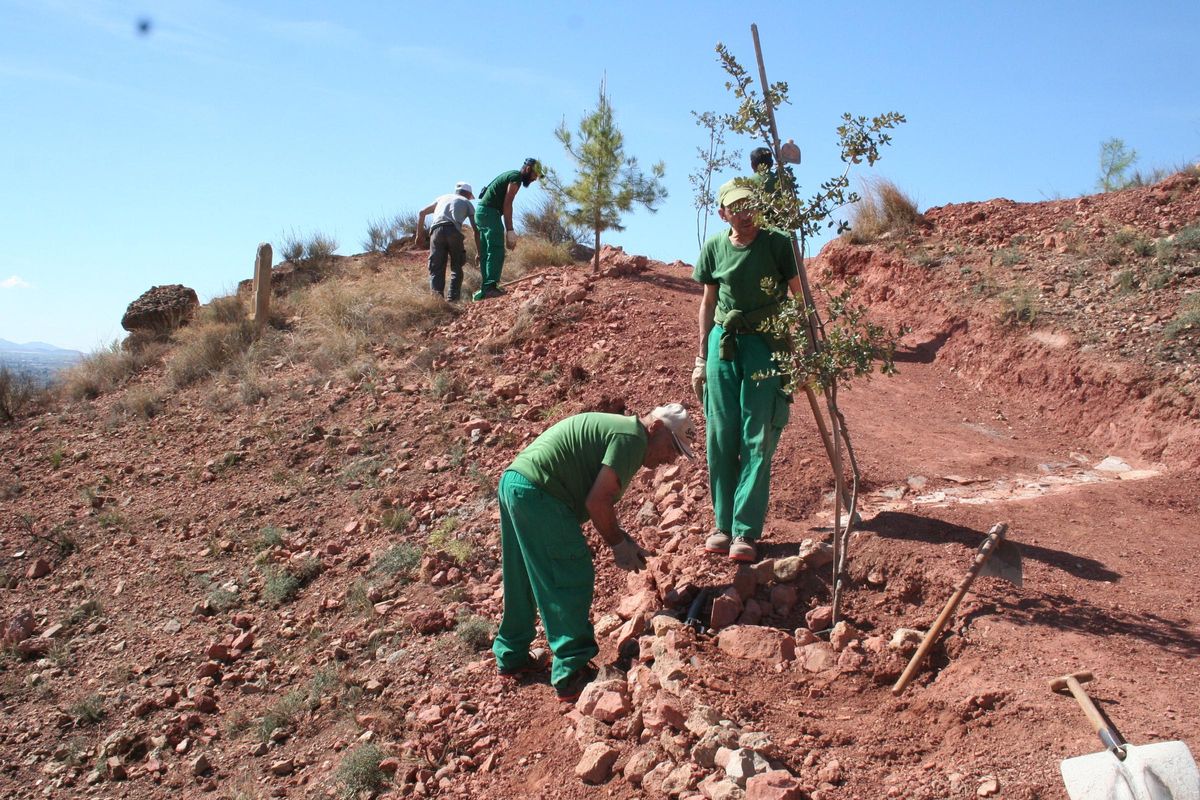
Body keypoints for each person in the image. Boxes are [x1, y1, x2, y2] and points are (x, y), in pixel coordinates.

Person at [492, 404, 695, 701]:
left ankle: (512, 655)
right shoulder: (632, 439)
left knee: (522, 573)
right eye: (673, 447)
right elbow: (598, 502)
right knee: (570, 574)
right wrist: (618, 544)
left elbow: (598, 499)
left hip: (517, 482)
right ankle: (571, 672)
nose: (671, 457)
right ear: (657, 428)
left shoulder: (623, 431)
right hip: (541, 492)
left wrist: (621, 538)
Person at [691, 179, 801, 563]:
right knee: (720, 435)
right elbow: (707, 302)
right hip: (725, 345)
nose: (745, 213)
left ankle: (745, 531)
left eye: (751, 205)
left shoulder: (777, 243)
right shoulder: (714, 247)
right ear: (723, 212)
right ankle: (722, 525)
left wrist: (801, 352)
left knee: (758, 436)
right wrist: (702, 358)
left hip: (765, 346)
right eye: (736, 207)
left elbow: (800, 295)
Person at [472, 158, 543, 301]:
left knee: (487, 251)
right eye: (535, 175)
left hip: (482, 212)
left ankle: (487, 287)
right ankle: (491, 287)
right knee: (496, 248)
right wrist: (510, 230)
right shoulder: (515, 177)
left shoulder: (511, 174)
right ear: (528, 169)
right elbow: (508, 203)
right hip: (490, 212)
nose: (535, 179)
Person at [417, 182, 482, 302]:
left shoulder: (442, 198)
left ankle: (437, 301)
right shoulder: (466, 202)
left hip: (436, 232)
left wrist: (419, 235)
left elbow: (422, 213)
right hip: (453, 231)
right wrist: (479, 252)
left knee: (436, 268)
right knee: (456, 266)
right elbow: (476, 230)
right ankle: (452, 300)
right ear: (468, 194)